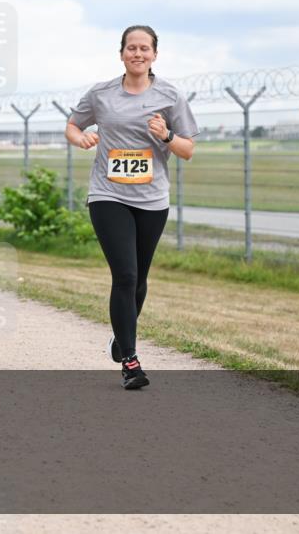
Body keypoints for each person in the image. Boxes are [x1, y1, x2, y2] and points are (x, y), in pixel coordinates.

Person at [65, 25, 198, 390]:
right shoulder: (102, 93)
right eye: (131, 48)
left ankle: (120, 338)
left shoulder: (170, 95)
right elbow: (73, 126)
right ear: (121, 53)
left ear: (155, 54)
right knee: (124, 275)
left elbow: (188, 150)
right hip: (108, 195)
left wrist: (167, 135)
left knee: (139, 279)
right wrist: (82, 138)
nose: (137, 54)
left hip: (152, 199)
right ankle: (130, 360)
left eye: (144, 48)